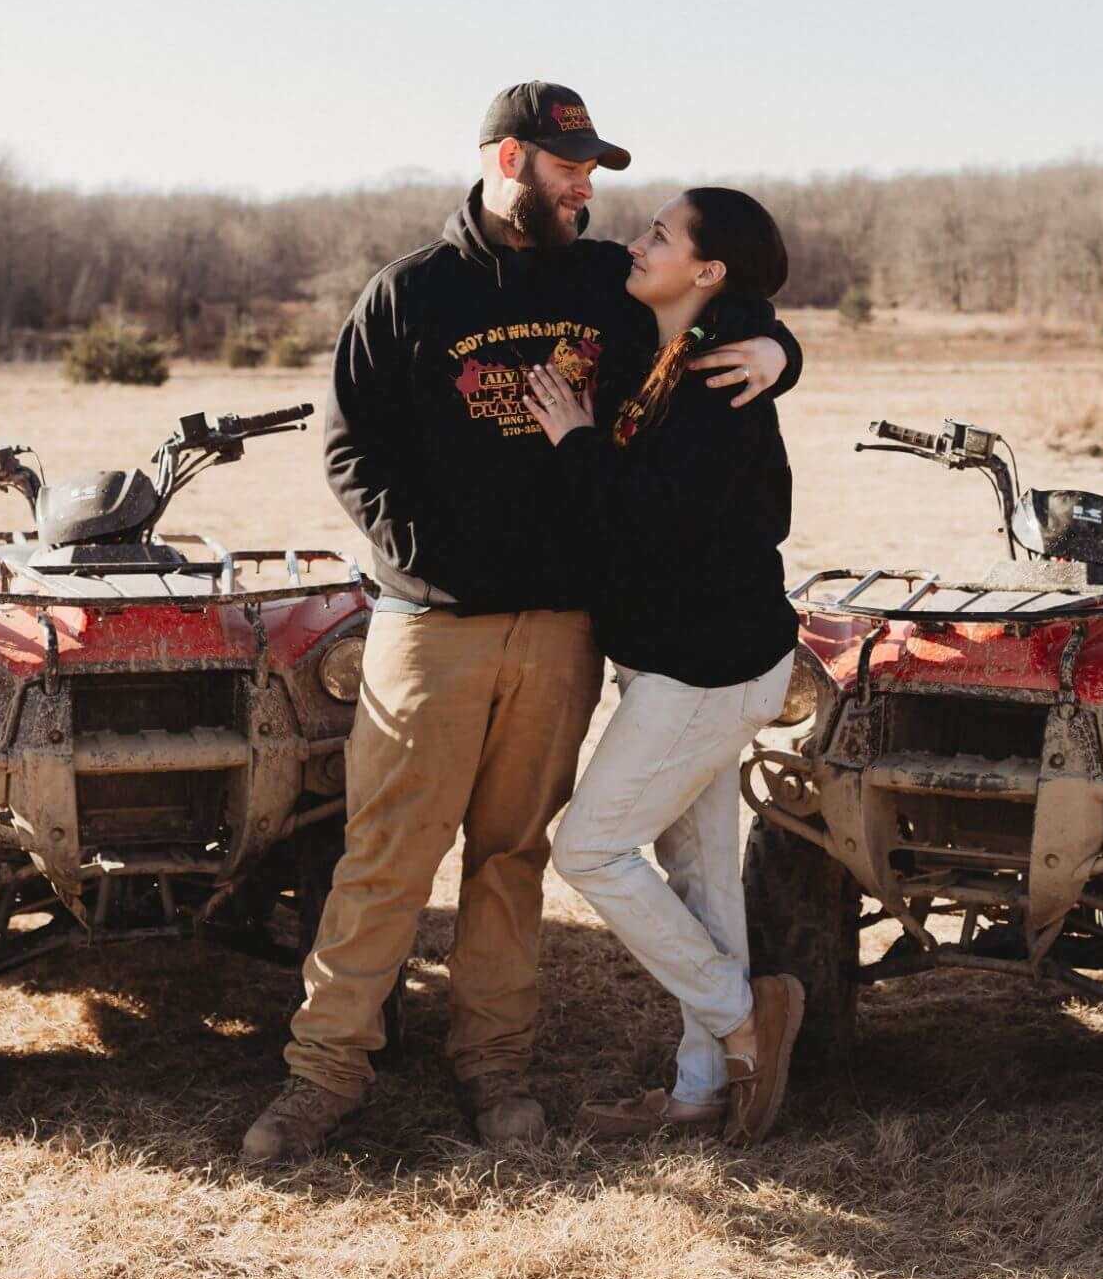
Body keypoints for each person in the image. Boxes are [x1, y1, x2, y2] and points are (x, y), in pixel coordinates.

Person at [241, 84, 801, 1164]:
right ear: (510, 161)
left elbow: (726, 312)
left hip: (562, 631)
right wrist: (435, 565)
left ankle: (496, 1069)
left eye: (594, 167)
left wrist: (782, 351)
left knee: (513, 856)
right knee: (386, 857)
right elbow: (351, 453)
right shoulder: (410, 292)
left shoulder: (606, 281)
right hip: (433, 623)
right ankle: (322, 1076)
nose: (590, 185)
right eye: (569, 166)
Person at [524, 187, 804, 1146]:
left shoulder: (719, 382)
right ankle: (702, 1091)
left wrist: (572, 440)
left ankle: (740, 1016)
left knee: (590, 849)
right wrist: (784, 345)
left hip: (708, 668)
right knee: (702, 879)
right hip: (676, 664)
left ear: (708, 271)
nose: (635, 243)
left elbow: (654, 520)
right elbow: (768, 322)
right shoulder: (673, 343)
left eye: (659, 235)